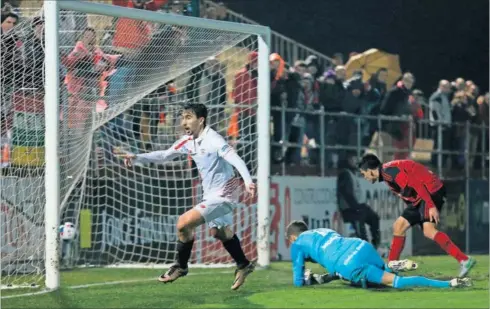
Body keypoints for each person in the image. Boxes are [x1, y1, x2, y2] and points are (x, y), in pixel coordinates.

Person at [124, 103, 256, 290]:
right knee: (218, 232)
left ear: (200, 120)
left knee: (183, 223)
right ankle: (243, 264)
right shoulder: (187, 141)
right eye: (182, 117)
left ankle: (180, 266)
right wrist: (137, 157)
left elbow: (236, 159)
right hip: (210, 192)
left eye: (188, 117)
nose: (183, 121)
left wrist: (248, 181)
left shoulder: (214, 140)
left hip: (226, 191)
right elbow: (165, 155)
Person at [358, 153, 476, 277]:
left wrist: (431, 206)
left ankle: (464, 260)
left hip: (430, 191)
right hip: (422, 195)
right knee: (399, 226)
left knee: (428, 230)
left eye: (363, 173)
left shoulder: (389, 172)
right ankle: (391, 267)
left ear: (370, 171)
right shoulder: (387, 174)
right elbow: (409, 189)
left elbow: (416, 184)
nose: (364, 177)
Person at [287, 220, 472, 289]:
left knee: (393, 283)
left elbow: (297, 281)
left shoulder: (298, 245)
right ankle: (391, 264)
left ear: (294, 237)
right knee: (380, 271)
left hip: (347, 263)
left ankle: (450, 284)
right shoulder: (322, 230)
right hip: (360, 245)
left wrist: (304, 280)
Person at [336, 152, 380, 247]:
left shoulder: (352, 173)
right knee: (360, 224)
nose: (356, 161)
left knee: (374, 217)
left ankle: (376, 245)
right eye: (353, 159)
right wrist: (356, 208)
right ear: (347, 160)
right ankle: (365, 247)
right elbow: (347, 194)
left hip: (358, 206)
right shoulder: (345, 174)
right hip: (350, 209)